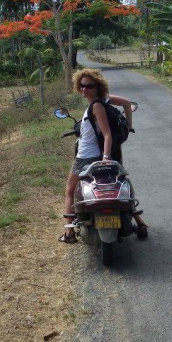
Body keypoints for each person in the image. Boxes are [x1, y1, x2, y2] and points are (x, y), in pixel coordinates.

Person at [59, 68, 148, 243]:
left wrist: (105, 157)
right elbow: (127, 103)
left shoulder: (96, 106)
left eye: (89, 86)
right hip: (100, 154)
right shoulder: (104, 100)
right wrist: (129, 125)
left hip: (86, 157)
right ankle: (140, 222)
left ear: (97, 86)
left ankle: (69, 234)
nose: (84, 89)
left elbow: (107, 135)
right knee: (115, 186)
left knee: (69, 191)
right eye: (82, 85)